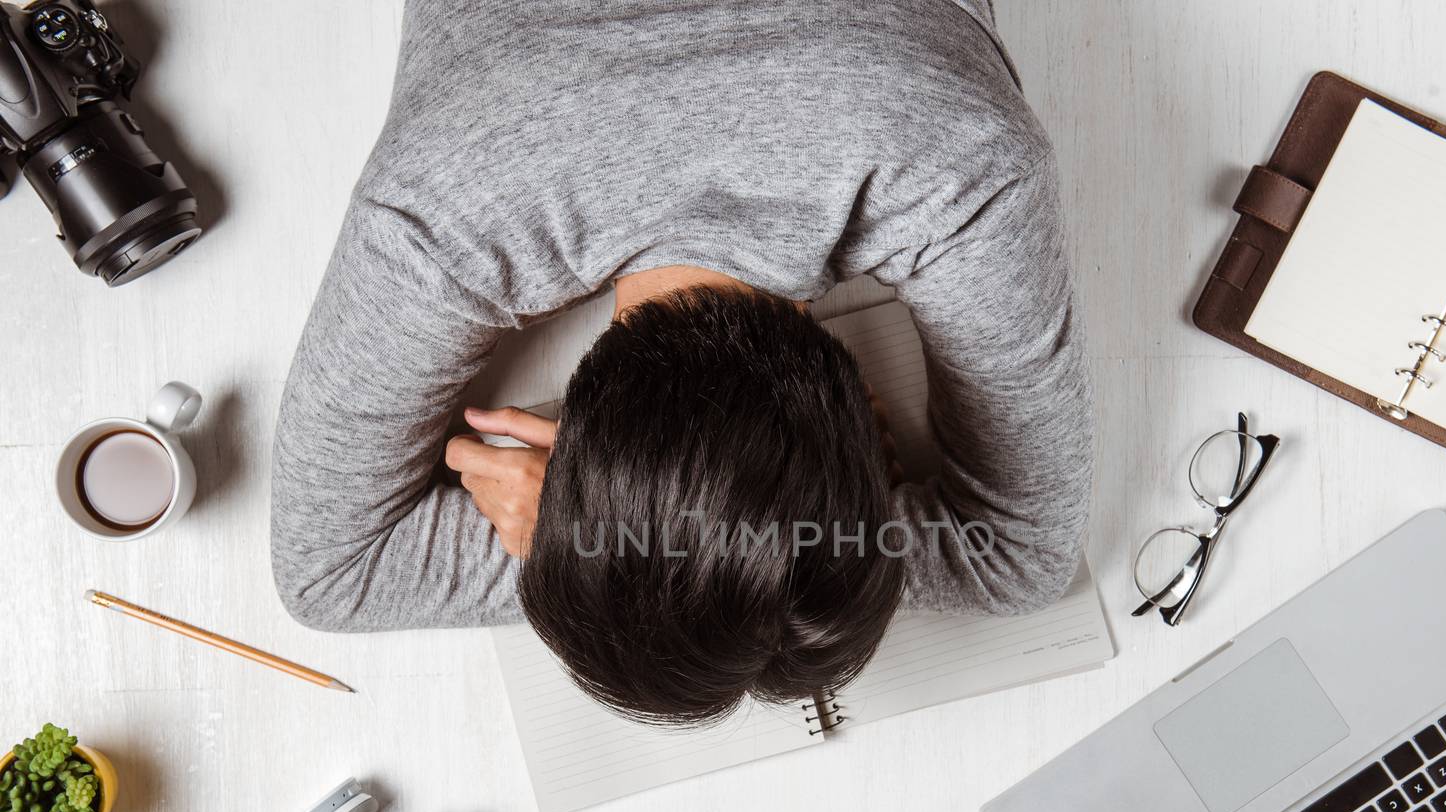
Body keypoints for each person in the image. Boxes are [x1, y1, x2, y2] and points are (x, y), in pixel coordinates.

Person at [270, 0, 1093, 726]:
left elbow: (1021, 561)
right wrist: (604, 533)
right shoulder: (444, 213)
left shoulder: (967, 170)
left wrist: (727, 540)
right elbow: (328, 578)